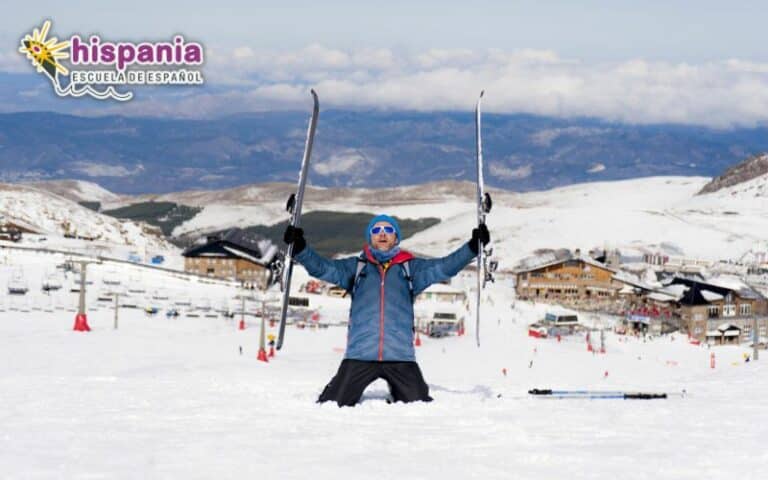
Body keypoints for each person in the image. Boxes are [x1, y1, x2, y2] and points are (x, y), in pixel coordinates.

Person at [283, 214, 489, 407]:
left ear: (396, 238)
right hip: (360, 354)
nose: (382, 233)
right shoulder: (356, 267)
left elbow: (445, 267)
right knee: (333, 403)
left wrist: (472, 247)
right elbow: (322, 267)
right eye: (377, 230)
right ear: (370, 237)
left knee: (418, 404)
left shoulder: (411, 268)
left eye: (388, 229)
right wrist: (300, 248)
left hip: (400, 356)